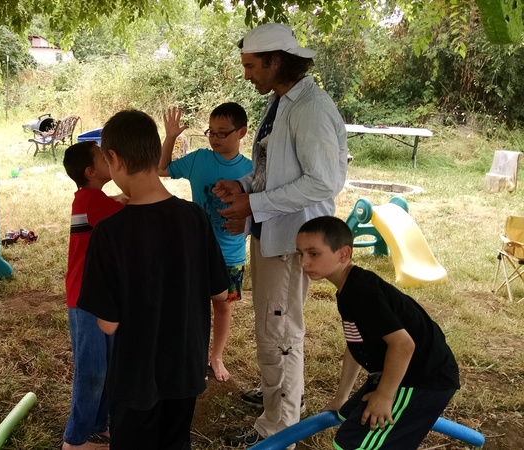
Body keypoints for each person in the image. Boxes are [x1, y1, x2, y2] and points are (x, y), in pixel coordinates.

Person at [214, 23, 349, 446]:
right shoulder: (283, 100)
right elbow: (277, 171)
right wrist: (246, 187)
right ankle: (283, 399)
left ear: (276, 61)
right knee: (276, 326)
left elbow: (322, 182)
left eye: (252, 66)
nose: (246, 74)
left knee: (280, 330)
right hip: (274, 234)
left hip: (293, 241)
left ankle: (279, 430)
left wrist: (253, 205)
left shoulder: (310, 107)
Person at [77, 110, 230, 450]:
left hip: (135, 377)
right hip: (186, 370)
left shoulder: (109, 232)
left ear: (114, 159)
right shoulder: (195, 217)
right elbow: (220, 292)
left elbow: (108, 324)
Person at [296, 216, 460, 448]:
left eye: (313, 254)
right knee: (346, 415)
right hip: (394, 372)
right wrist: (341, 397)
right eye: (300, 253)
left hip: (422, 378)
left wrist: (384, 397)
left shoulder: (361, 291)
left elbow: (403, 345)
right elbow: (356, 345)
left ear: (343, 254)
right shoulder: (348, 288)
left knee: (351, 445)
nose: (303, 262)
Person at [158, 103, 253, 382]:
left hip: (231, 251)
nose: (214, 138)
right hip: (195, 249)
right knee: (191, 305)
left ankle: (216, 356)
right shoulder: (199, 158)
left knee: (223, 305)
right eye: (211, 132)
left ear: (242, 132)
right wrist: (171, 136)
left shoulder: (252, 170)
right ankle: (192, 354)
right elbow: (162, 169)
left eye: (223, 133)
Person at [62, 140, 128, 450]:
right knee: (92, 370)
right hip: (85, 300)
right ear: (91, 171)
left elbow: (114, 205)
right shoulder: (91, 201)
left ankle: (100, 425)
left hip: (101, 298)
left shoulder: (92, 199)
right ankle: (74, 441)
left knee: (108, 366)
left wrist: (121, 197)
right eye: (105, 157)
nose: (110, 158)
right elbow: (126, 213)